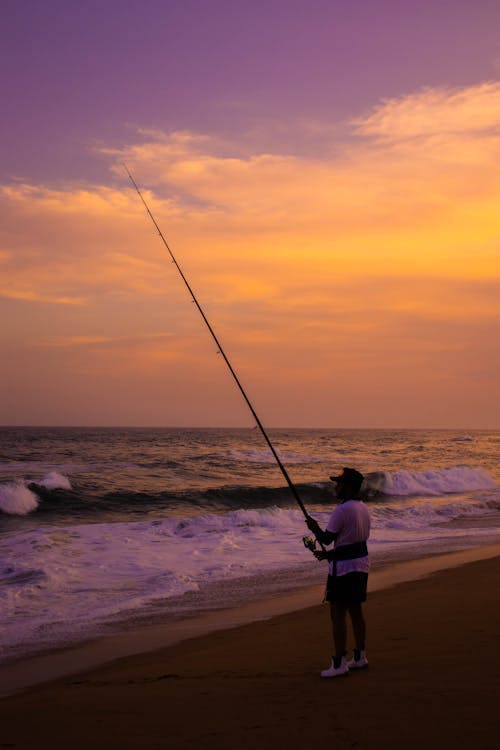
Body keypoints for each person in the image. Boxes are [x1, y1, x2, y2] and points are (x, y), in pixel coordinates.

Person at [306, 467, 370, 678]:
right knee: (356, 611)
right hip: (361, 565)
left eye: (339, 483)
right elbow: (354, 542)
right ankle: (360, 657)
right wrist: (330, 555)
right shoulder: (362, 508)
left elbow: (326, 539)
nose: (336, 486)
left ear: (349, 486)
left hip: (343, 571)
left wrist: (314, 528)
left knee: (337, 614)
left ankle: (339, 663)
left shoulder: (341, 510)